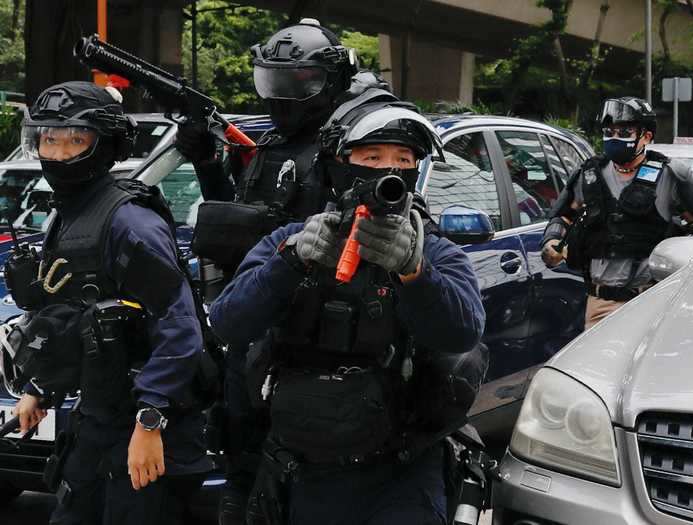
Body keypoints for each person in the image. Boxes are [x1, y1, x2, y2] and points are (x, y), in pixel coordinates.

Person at [209, 100, 486, 525]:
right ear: (340, 165)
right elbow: (228, 321)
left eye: (403, 159)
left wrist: (414, 272)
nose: (388, 169)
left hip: (399, 473)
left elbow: (463, 331)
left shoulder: (433, 251)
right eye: (372, 157)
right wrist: (292, 261)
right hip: (302, 471)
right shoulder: (291, 239)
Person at [175, 19, 397, 524]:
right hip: (254, 324)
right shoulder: (271, 145)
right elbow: (234, 222)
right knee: (241, 470)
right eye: (273, 83)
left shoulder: (351, 149)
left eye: (300, 83)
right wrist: (207, 161)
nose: (282, 97)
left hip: (318, 344)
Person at [9, 81, 212, 524]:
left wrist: (150, 420)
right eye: (50, 139)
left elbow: (179, 328)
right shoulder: (67, 215)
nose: (59, 153)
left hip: (152, 424)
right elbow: (69, 315)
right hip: (97, 417)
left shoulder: (130, 223)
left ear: (105, 145)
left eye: (75, 140)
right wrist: (40, 388)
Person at [541, 96, 693, 329]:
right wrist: (552, 241)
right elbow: (563, 216)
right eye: (609, 131)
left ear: (646, 136)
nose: (614, 138)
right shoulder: (589, 174)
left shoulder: (672, 175)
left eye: (624, 132)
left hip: (653, 301)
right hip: (600, 303)